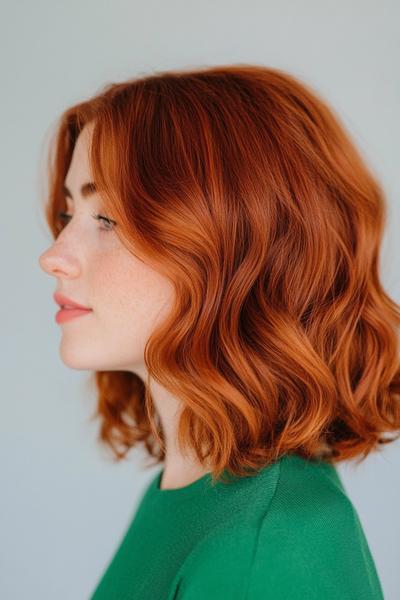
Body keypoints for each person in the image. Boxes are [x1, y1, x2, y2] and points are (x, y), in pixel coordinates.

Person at [38, 64, 399, 599]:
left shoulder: (273, 544)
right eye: (69, 213)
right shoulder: (190, 494)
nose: (53, 257)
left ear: (239, 247)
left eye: (108, 218)